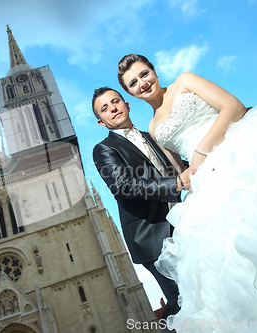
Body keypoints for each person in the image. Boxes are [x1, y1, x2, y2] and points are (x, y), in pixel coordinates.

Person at [117, 54, 257, 332]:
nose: (142, 83)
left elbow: (233, 106)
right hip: (208, 182)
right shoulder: (152, 128)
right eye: (133, 83)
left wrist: (201, 150)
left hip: (238, 148)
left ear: (154, 71)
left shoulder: (184, 82)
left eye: (144, 74)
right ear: (130, 94)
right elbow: (178, 168)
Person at [92, 87, 190, 317]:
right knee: (182, 302)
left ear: (127, 104)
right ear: (101, 122)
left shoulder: (150, 135)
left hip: (182, 222)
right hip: (151, 235)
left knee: (202, 288)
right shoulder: (104, 149)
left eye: (115, 101)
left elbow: (176, 167)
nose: (112, 108)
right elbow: (125, 187)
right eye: (104, 109)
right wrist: (177, 183)